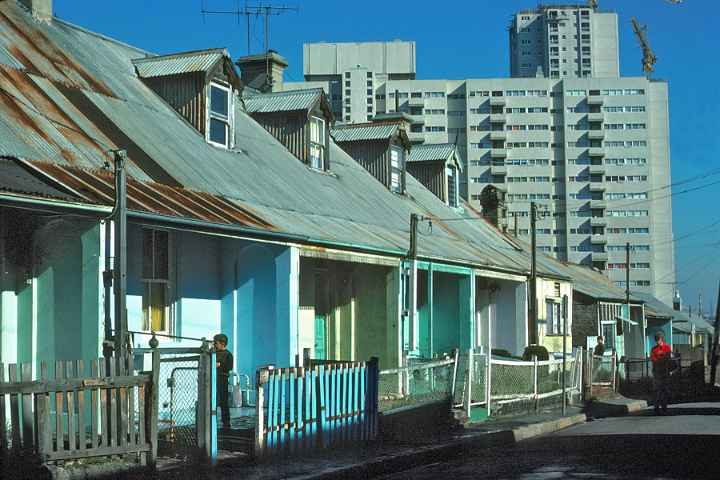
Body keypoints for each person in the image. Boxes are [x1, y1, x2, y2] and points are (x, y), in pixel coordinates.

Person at [213, 333, 234, 428]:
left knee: (223, 402)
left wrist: (220, 365)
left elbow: (229, 367)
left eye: (216, 343)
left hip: (222, 380)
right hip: (213, 379)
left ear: (222, 343)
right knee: (212, 400)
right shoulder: (214, 353)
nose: (214, 345)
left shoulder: (228, 355)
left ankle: (226, 422)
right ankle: (212, 420)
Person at [650, 330, 672, 415]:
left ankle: (664, 407)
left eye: (659, 340)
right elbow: (653, 359)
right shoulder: (654, 349)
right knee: (657, 390)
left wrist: (661, 358)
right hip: (657, 372)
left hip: (665, 371)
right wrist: (660, 359)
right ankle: (656, 406)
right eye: (656, 340)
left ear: (662, 339)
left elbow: (668, 358)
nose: (658, 342)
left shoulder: (667, 347)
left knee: (664, 390)